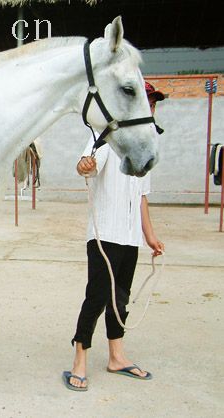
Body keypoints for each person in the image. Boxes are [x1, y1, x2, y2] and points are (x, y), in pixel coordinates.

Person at [62, 82, 166, 391]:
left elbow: (143, 196)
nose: (151, 107)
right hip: (104, 234)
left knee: (120, 299)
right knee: (97, 297)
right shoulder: (104, 137)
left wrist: (149, 235)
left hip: (131, 236)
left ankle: (116, 357)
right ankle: (79, 360)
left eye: (153, 102)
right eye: (146, 102)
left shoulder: (146, 146)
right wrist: (84, 165)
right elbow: (86, 167)